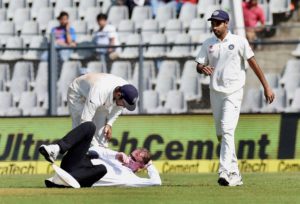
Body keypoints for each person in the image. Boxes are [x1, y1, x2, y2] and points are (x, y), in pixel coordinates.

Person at [195, 10, 275, 186]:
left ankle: (224, 171)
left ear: (226, 23)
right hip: (215, 92)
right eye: (212, 23)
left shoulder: (239, 41)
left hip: (234, 92)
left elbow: (253, 63)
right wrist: (202, 68)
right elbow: (199, 64)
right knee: (221, 134)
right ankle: (236, 174)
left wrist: (266, 86)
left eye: (217, 23)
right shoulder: (208, 43)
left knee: (227, 130)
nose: (214, 27)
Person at [39, 122, 161, 188]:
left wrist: (149, 165)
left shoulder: (133, 179)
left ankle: (60, 181)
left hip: (83, 178)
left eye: (133, 159)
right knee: (89, 127)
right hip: (76, 164)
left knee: (102, 169)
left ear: (140, 167)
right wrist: (116, 154)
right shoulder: (117, 159)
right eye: (130, 155)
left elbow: (156, 182)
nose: (129, 159)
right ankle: (56, 148)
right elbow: (96, 149)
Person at [67, 73, 138, 148]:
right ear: (118, 95)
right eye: (124, 104)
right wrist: (96, 147)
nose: (123, 107)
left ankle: (102, 153)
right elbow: (85, 122)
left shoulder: (127, 89)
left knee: (102, 132)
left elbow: (119, 108)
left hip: (96, 94)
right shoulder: (99, 92)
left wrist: (109, 124)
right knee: (80, 129)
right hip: (78, 94)